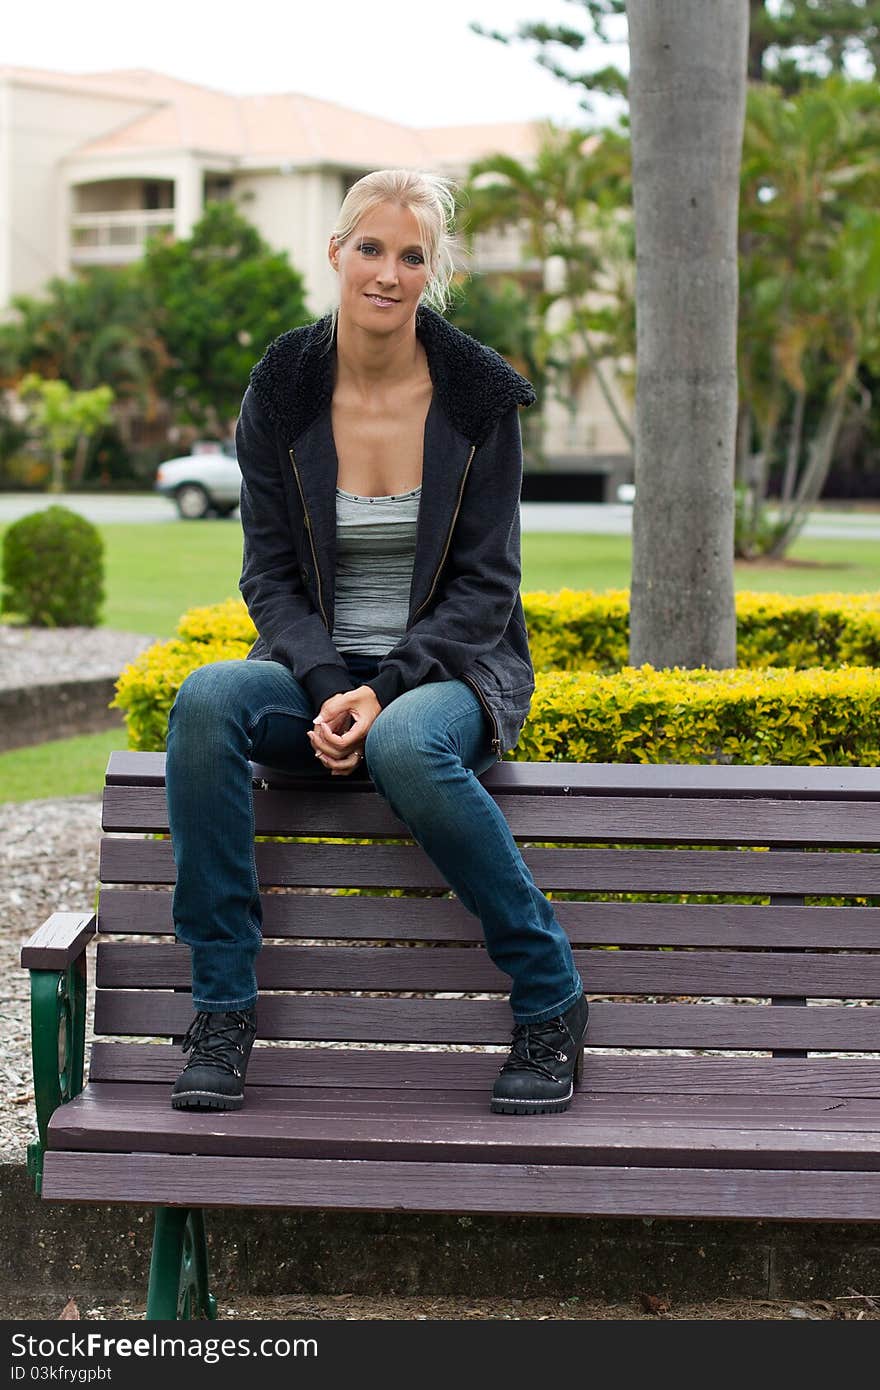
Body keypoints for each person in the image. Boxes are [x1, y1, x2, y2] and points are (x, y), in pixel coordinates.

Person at [164, 168, 588, 1117]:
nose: (388, 273)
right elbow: (267, 573)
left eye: (411, 256)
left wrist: (382, 689)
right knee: (204, 703)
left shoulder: (478, 399)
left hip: (450, 668)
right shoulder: (281, 389)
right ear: (336, 253)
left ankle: (551, 996)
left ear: (431, 273)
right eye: (371, 248)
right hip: (316, 670)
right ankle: (223, 1009)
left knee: (402, 740)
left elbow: (488, 586)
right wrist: (324, 680)